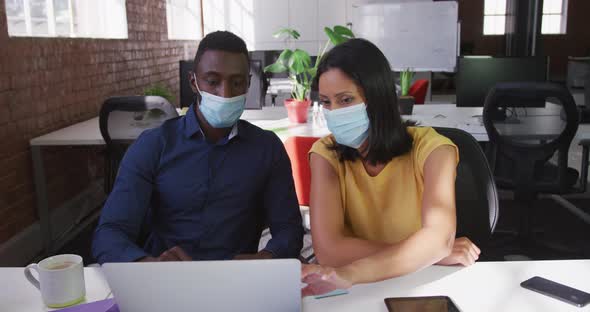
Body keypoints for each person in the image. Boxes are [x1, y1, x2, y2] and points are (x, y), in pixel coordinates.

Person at [92, 31, 303, 264]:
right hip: (167, 279)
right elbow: (109, 233)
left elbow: (289, 230)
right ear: (194, 82)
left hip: (237, 280)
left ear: (248, 84)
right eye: (212, 82)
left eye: (237, 82)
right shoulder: (154, 146)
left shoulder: (267, 148)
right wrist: (147, 265)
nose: (225, 93)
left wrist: (266, 257)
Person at [301, 38, 480, 296]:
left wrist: (351, 272)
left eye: (345, 99)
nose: (334, 112)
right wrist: (425, 252)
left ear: (378, 98)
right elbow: (328, 251)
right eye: (326, 102)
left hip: (419, 283)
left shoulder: (434, 150)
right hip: (356, 291)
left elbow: (438, 239)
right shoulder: (325, 154)